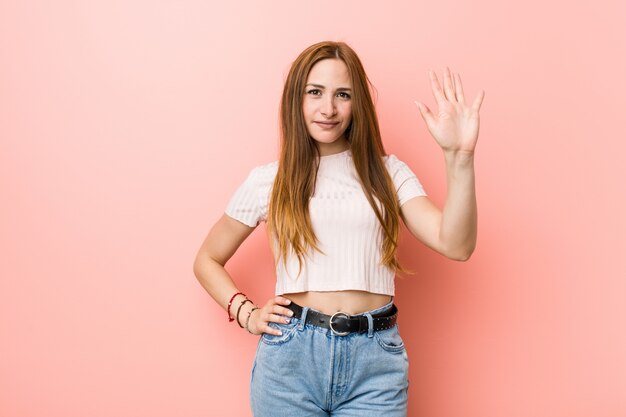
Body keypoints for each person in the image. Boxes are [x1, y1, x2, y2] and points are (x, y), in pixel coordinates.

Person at [193, 40, 484, 416]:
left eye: (342, 94)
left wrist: (459, 157)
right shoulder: (270, 180)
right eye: (315, 92)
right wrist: (247, 313)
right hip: (290, 360)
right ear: (296, 99)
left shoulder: (388, 173)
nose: (328, 108)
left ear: (357, 103)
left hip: (375, 361)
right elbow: (207, 259)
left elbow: (456, 244)